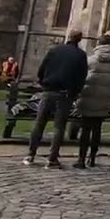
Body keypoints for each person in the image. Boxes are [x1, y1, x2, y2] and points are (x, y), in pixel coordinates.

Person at [25, 29, 87, 169]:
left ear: (68, 37)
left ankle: (30, 154)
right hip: (65, 94)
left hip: (49, 90)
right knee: (59, 126)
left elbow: (41, 70)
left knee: (40, 123)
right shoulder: (80, 55)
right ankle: (52, 158)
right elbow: (82, 77)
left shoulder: (54, 51)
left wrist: (44, 83)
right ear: (79, 39)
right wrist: (74, 93)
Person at [73, 34, 110, 170]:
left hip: (88, 99)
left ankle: (81, 159)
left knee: (85, 130)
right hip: (105, 101)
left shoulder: (90, 60)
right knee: (97, 130)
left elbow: (81, 78)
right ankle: (92, 158)